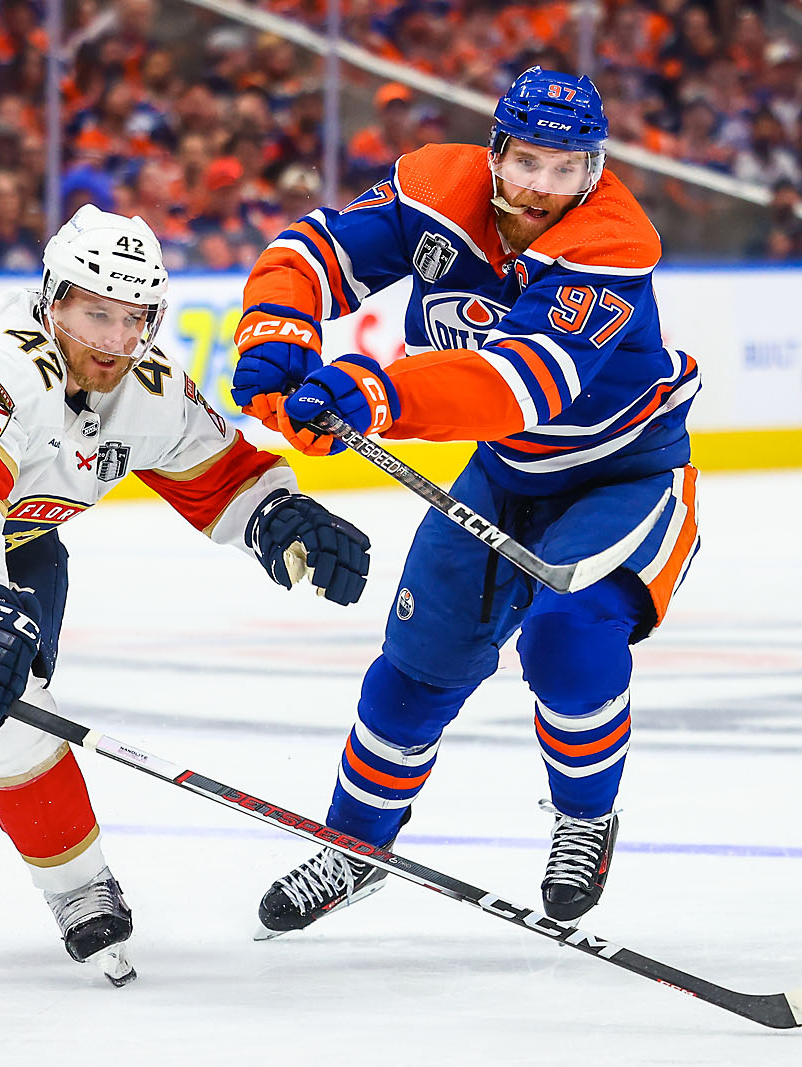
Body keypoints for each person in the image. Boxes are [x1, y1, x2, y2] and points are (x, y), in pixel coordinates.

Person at [0, 204, 371, 983]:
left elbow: (215, 468)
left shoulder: (148, 380)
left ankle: (79, 887)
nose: (115, 340)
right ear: (52, 298)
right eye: (96, 313)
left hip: (15, 552)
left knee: (12, 717)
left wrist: (279, 515)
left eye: (136, 318)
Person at [230, 67, 701, 936]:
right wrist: (277, 329)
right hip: (502, 474)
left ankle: (585, 819)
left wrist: (374, 394)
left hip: (620, 473)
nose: (544, 190)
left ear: (595, 170)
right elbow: (314, 251)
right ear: (495, 151)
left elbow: (523, 384)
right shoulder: (434, 192)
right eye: (528, 163)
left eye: (569, 170)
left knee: (568, 633)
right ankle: (358, 846)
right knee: (416, 665)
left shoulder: (611, 244)